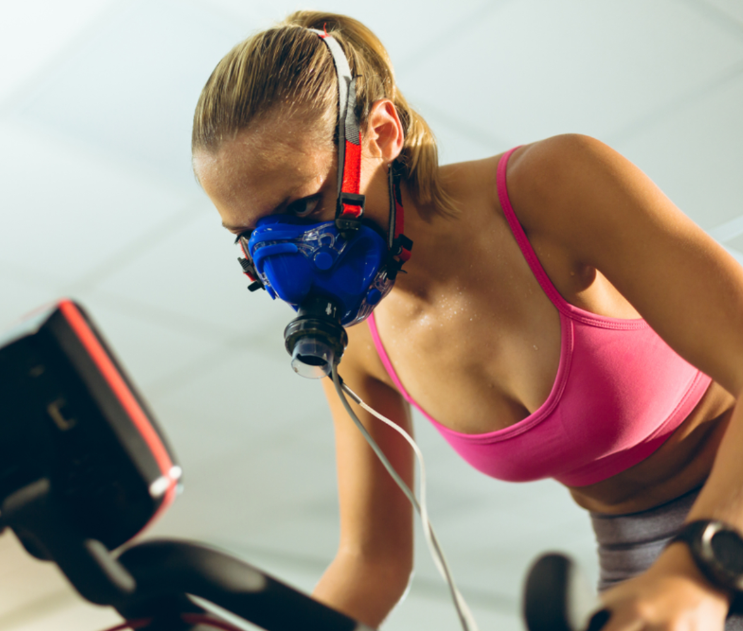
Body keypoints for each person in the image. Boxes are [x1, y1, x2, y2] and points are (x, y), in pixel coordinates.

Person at [191, 10, 743, 631]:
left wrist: (704, 568)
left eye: (303, 205)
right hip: (640, 568)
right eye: (251, 236)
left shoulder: (554, 189)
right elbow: (371, 563)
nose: (289, 264)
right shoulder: (353, 344)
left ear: (380, 134)